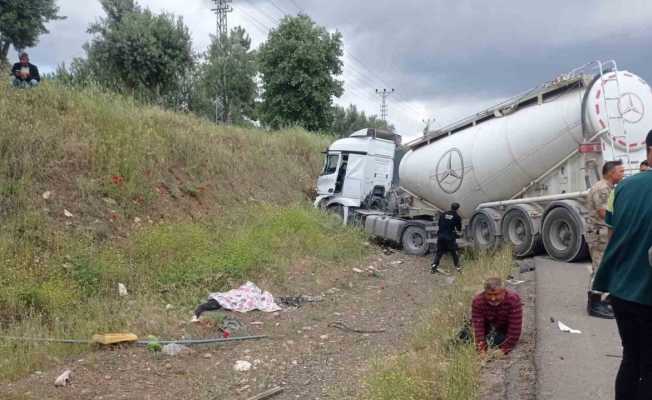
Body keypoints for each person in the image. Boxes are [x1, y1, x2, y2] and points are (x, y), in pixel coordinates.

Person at [592, 129, 652, 400]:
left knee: (631, 358)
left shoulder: (624, 188)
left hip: (622, 290)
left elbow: (613, 233)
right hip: (646, 293)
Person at [585, 160, 624, 319]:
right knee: (599, 266)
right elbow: (604, 213)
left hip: (602, 232)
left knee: (604, 265)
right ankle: (593, 305)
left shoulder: (608, 188)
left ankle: (604, 299)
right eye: (620, 171)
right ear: (611, 173)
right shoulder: (602, 189)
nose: (623, 174)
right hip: (598, 233)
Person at [470, 277, 523, 355]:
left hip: (503, 331)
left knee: (497, 340)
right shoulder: (478, 301)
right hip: (487, 328)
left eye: (496, 294)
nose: (493, 298)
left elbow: (515, 328)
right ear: (484, 292)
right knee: (464, 337)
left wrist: (504, 350)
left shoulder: (513, 299)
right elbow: (478, 327)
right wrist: (481, 349)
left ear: (504, 292)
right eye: (489, 295)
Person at [431, 202, 462, 274]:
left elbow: (439, 224)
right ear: (458, 209)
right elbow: (459, 228)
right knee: (454, 252)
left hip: (440, 236)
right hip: (449, 237)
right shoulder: (457, 216)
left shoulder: (443, 214)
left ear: (450, 207)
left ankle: (433, 267)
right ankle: (458, 268)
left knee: (439, 252)